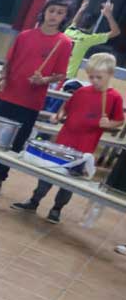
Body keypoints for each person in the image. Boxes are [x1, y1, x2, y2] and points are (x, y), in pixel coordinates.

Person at [0, 0, 75, 196]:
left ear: (65, 17)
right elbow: (8, 63)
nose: (54, 15)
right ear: (44, 11)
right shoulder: (24, 36)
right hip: (7, 94)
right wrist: (2, 79)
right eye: (51, 10)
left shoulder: (63, 43)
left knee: (15, 141)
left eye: (60, 13)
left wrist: (43, 80)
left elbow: (61, 75)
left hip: (30, 101)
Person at [11, 53, 124, 223]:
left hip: (84, 146)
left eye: (98, 77)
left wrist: (108, 124)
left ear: (110, 75)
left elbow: (119, 122)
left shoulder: (114, 97)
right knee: (49, 172)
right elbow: (67, 107)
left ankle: (57, 209)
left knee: (70, 180)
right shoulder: (81, 91)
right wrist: (58, 115)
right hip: (64, 140)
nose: (94, 81)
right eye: (91, 77)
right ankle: (34, 201)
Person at [65, 0, 121, 79]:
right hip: (67, 75)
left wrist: (81, 9)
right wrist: (109, 15)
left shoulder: (69, 31)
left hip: (53, 72)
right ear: (93, 26)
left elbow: (74, 22)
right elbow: (116, 32)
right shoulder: (88, 39)